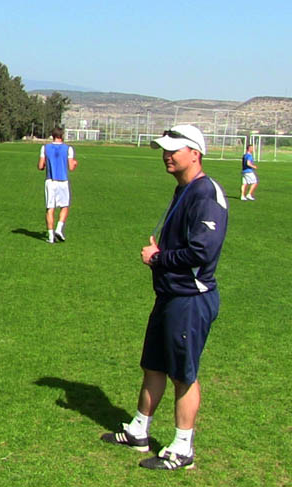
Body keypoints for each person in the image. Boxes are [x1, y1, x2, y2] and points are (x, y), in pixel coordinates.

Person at [101, 124, 228, 471]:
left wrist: (159, 258)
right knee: (154, 365)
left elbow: (202, 251)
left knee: (183, 374)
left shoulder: (206, 194)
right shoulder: (184, 189)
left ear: (195, 154)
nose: (166, 155)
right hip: (169, 295)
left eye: (174, 150)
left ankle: (183, 449)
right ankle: (138, 430)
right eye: (164, 150)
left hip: (190, 299)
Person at [38, 127, 77, 243]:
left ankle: (51, 237)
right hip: (63, 181)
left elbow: (40, 166)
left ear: (53, 136)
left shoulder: (45, 148)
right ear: (62, 136)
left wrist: (45, 165)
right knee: (64, 206)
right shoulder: (68, 149)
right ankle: (59, 229)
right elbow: (71, 167)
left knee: (50, 208)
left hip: (50, 181)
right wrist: (75, 163)